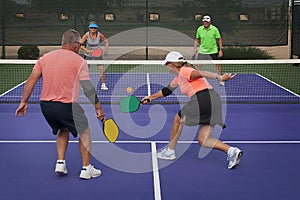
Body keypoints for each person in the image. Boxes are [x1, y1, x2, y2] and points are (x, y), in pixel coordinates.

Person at [15, 29, 105, 179]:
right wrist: (99, 108)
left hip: (46, 106)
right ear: (76, 45)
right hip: (67, 106)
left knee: (63, 129)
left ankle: (60, 163)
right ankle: (86, 169)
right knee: (85, 131)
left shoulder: (45, 58)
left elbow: (31, 79)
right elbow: (88, 88)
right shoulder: (79, 61)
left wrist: (24, 101)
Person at [141, 51, 243, 169]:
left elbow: (201, 73)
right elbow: (166, 91)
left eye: (167, 65)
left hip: (203, 99)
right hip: (214, 101)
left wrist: (220, 77)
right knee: (203, 140)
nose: (167, 68)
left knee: (178, 119)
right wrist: (150, 98)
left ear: (173, 64)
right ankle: (232, 151)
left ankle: (170, 151)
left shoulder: (185, 70)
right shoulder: (179, 77)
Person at [194, 15, 225, 86]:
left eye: (207, 22)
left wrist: (220, 49)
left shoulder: (214, 29)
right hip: (202, 51)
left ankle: (221, 79)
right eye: (204, 21)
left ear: (209, 22)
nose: (205, 23)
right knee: (199, 66)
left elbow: (219, 39)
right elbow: (197, 39)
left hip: (213, 51)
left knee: (217, 65)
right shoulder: (199, 29)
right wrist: (195, 47)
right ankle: (196, 79)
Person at [80, 21, 109, 90]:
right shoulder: (86, 35)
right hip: (88, 54)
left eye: (94, 28)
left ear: (96, 28)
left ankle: (103, 84)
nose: (93, 29)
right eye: (92, 28)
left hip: (97, 54)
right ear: (89, 28)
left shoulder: (99, 35)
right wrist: (86, 50)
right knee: (85, 70)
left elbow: (106, 41)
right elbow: (80, 44)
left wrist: (106, 50)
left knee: (101, 70)